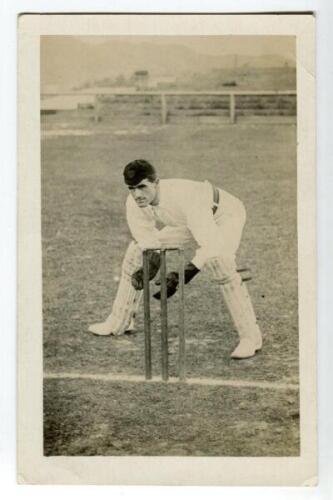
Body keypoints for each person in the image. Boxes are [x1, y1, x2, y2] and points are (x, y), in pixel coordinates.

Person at [88, 159, 262, 359]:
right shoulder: (134, 203)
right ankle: (120, 320)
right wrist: (149, 265)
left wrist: (182, 275)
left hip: (224, 215)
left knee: (219, 262)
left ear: (156, 182)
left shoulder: (186, 197)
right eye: (132, 188)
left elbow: (210, 244)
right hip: (188, 221)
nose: (137, 194)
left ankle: (251, 338)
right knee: (136, 252)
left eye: (142, 187)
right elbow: (148, 242)